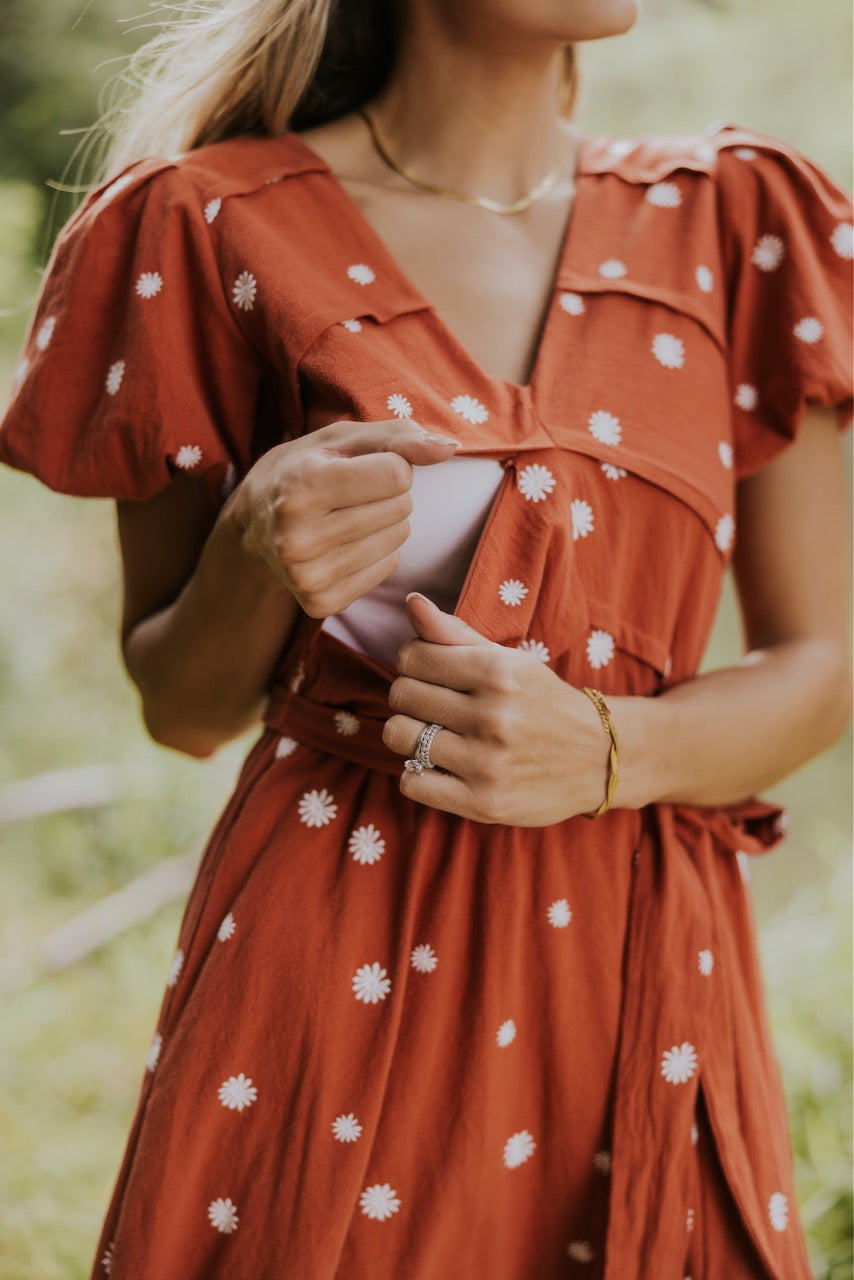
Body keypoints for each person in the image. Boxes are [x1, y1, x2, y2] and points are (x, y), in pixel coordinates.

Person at [0, 0, 851, 1275]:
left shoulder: (735, 219)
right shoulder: (198, 221)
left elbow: (821, 664)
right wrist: (250, 547)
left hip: (638, 963)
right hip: (334, 961)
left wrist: (608, 746)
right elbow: (179, 706)